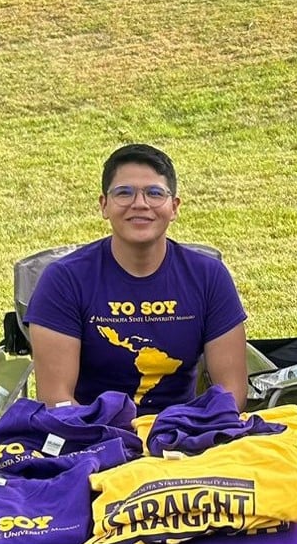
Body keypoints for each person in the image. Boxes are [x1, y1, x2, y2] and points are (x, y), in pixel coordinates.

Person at [25, 144, 249, 415]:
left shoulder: (209, 276)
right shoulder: (64, 280)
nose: (140, 204)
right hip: (91, 439)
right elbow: (56, 400)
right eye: (124, 193)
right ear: (104, 205)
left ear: (174, 207)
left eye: (155, 193)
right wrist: (120, 442)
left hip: (182, 440)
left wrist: (184, 435)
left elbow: (232, 394)